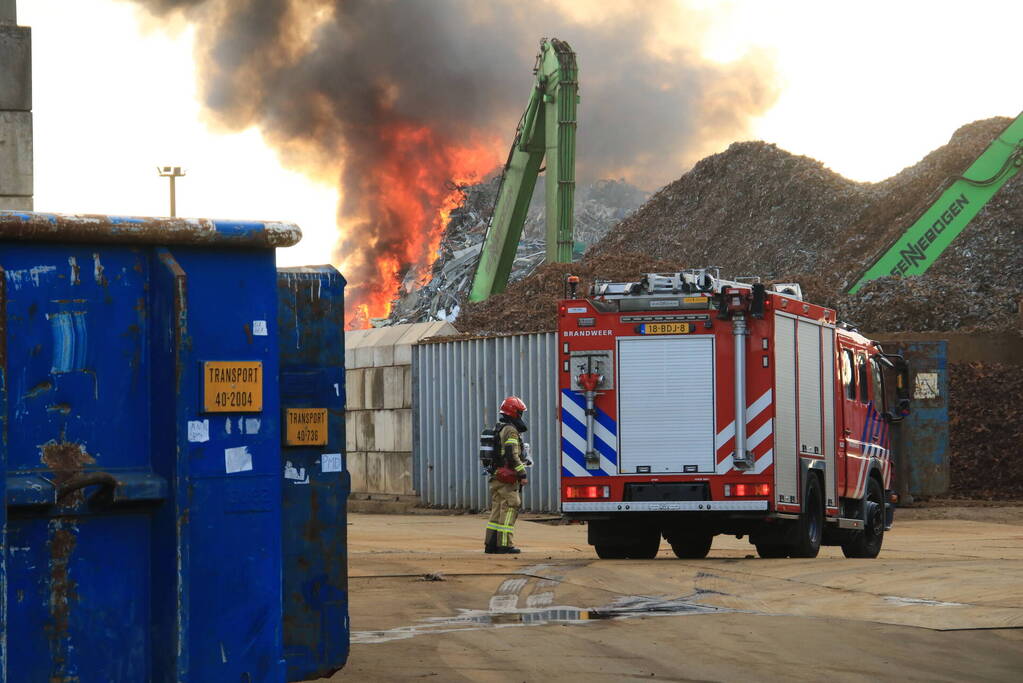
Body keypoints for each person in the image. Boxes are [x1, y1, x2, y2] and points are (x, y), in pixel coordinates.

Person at [484, 395, 529, 554]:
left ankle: (491, 545)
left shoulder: (499, 427)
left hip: (497, 475)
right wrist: (522, 473)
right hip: (507, 476)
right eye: (520, 412)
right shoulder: (510, 430)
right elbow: (512, 454)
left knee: (497, 510)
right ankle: (505, 545)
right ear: (515, 412)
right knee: (511, 506)